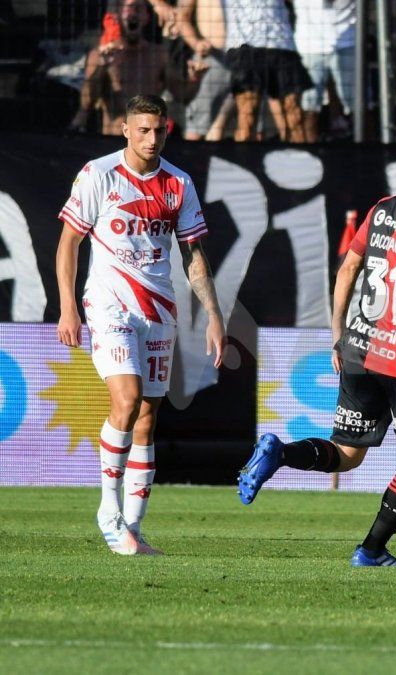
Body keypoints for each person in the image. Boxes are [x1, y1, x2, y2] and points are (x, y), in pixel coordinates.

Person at [236, 133, 396, 568]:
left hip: (358, 348)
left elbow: (349, 266)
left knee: (346, 455)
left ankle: (280, 452)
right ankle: (371, 549)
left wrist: (338, 331)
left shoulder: (383, 208)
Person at [56, 94, 225, 556]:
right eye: (143, 130)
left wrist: (212, 313)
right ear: (125, 130)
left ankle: (132, 526)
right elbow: (69, 243)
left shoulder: (179, 183)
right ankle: (108, 512)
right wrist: (68, 307)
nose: (152, 139)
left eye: (160, 130)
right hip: (109, 305)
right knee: (127, 400)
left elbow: (192, 253)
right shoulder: (100, 174)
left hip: (159, 310)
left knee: (148, 418)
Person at [70, 0, 208, 136]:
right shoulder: (100, 55)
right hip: (113, 141)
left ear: (147, 17)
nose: (133, 13)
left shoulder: (158, 56)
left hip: (149, 145)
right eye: (128, 8)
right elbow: (86, 104)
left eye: (138, 8)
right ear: (117, 15)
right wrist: (101, 66)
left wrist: (195, 78)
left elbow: (183, 96)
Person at [222, 0, 312, 142]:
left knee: (295, 116)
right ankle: (243, 160)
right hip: (244, 45)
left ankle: (299, 160)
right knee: (248, 115)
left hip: (282, 43)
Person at [293, 0, 356, 142]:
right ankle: (308, 157)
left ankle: (367, 156)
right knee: (309, 108)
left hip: (349, 41)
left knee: (359, 107)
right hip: (310, 45)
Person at [175, 0, 231, 141]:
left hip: (249, 58)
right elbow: (182, 17)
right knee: (197, 129)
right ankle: (189, 162)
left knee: (249, 123)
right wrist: (196, 43)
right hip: (212, 58)